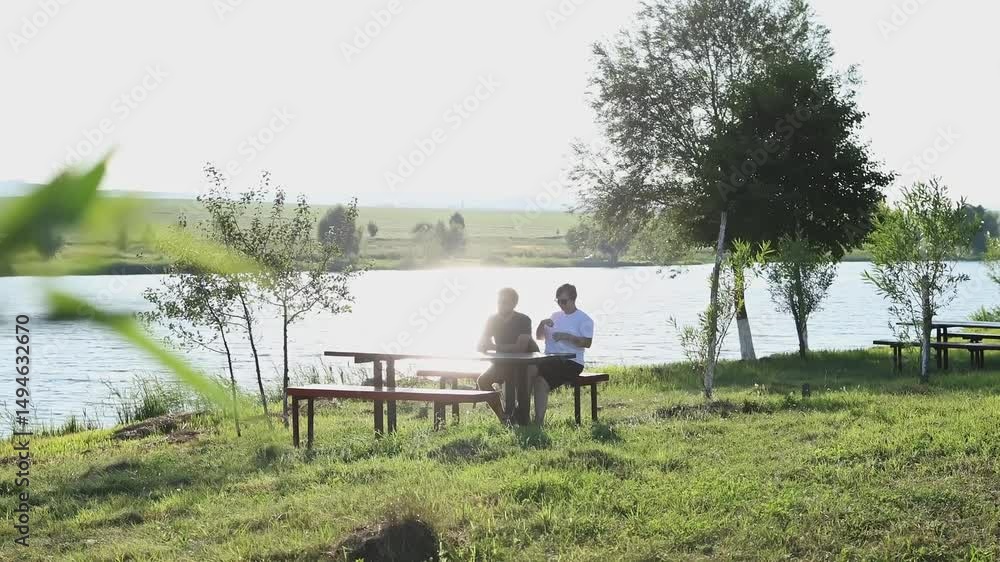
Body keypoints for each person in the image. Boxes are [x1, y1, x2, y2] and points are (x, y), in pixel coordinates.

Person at [534, 283, 594, 426]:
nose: (561, 304)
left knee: (540, 380)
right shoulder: (555, 316)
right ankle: (518, 416)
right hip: (550, 359)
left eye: (564, 301)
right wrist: (541, 324)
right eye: (558, 301)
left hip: (572, 362)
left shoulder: (584, 319)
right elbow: (539, 337)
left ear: (573, 299)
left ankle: (537, 422)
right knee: (523, 372)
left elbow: (587, 343)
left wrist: (567, 336)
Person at [477, 288, 538, 421]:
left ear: (514, 304)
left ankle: (523, 419)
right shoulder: (492, 319)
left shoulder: (524, 320)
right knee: (483, 381)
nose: (500, 305)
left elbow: (520, 348)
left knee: (520, 379)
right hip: (502, 362)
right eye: (498, 302)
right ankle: (503, 417)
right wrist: (483, 344)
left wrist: (494, 347)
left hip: (525, 363)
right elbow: (481, 344)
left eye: (504, 302)